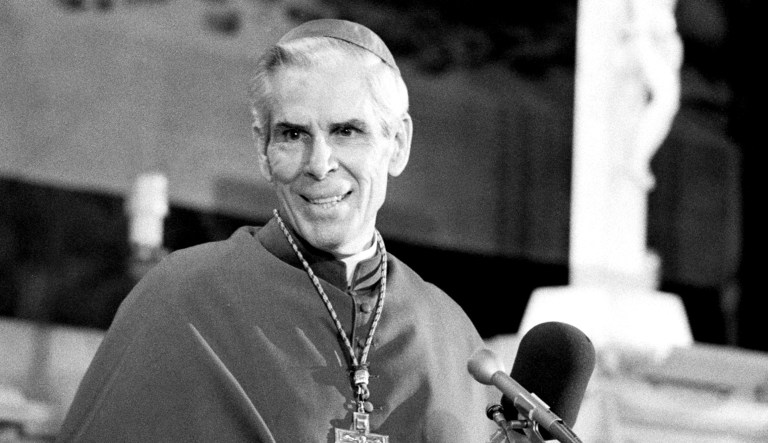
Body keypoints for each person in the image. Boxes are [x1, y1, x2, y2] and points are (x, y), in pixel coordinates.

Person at [56, 19, 497, 442]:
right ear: (263, 149)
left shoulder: (449, 332)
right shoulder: (181, 300)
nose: (319, 164)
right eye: (293, 134)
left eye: (346, 131)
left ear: (397, 144)